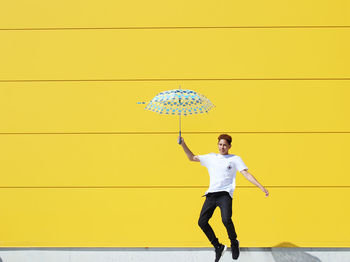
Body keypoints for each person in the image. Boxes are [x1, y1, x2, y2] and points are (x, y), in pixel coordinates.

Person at [179, 134, 269, 262]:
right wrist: (183, 144)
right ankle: (218, 246)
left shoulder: (235, 159)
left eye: (225, 145)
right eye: (220, 144)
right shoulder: (211, 157)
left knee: (226, 219)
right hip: (211, 194)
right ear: (218, 145)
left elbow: (246, 173)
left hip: (225, 194)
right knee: (202, 222)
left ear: (229, 146)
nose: (222, 147)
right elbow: (192, 158)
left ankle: (234, 242)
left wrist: (261, 186)